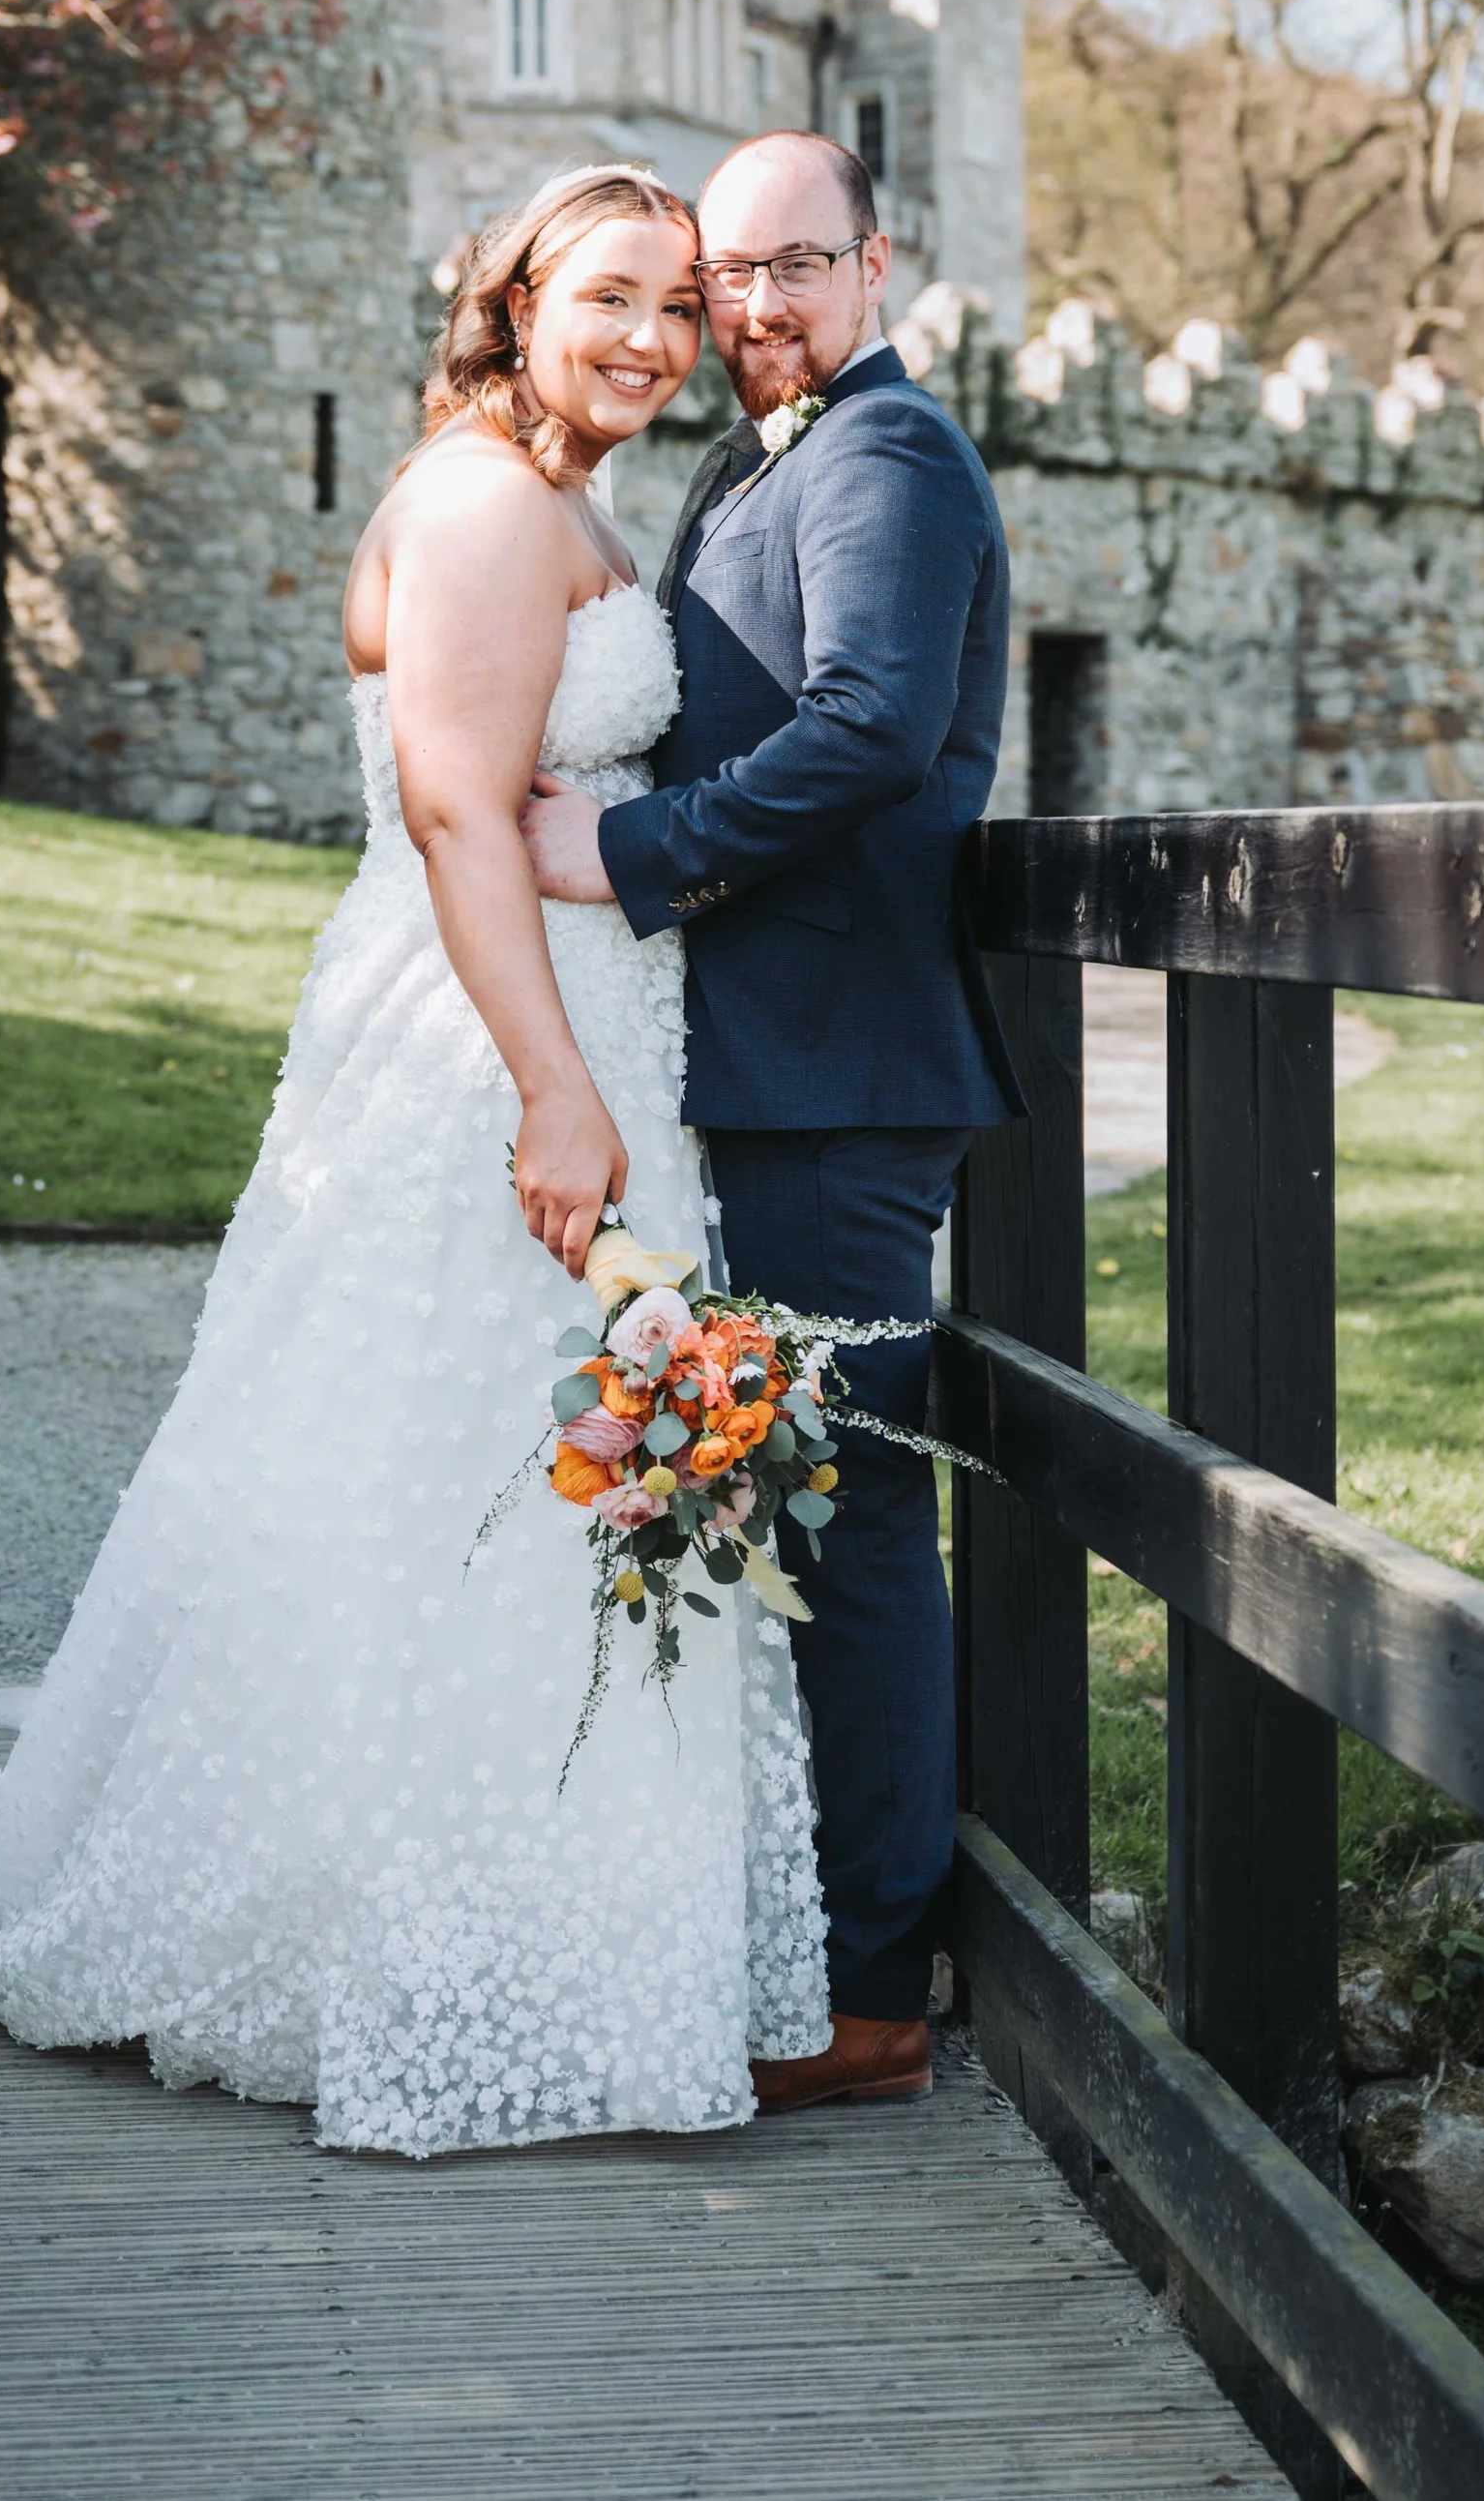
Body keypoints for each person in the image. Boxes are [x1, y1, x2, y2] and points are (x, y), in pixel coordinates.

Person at [0, 164, 830, 2157]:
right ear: (506, 298)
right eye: (607, 294)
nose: (650, 336)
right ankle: (387, 1940)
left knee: (537, 1495)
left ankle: (546, 1933)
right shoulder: (475, 503)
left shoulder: (569, 500)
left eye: (678, 307)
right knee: (439, 1469)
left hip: (579, 1020)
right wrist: (550, 1089)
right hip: (480, 1046)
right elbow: (450, 812)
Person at [524, 128, 1021, 2112]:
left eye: (796, 267)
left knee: (861, 1511)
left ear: (876, 267)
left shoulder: (886, 458)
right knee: (782, 1496)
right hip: (772, 1063)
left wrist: (632, 854)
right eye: (727, 275)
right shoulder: (770, 453)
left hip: (837, 1075)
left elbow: (874, 731)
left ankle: (878, 1984)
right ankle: (799, 1929)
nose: (755, 306)